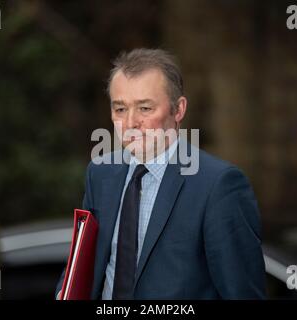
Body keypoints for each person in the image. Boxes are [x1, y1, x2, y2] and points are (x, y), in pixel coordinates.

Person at [56, 48, 266, 300]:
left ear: (178, 110)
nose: (131, 122)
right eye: (120, 109)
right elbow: (84, 266)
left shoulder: (219, 185)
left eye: (145, 108)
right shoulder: (100, 174)